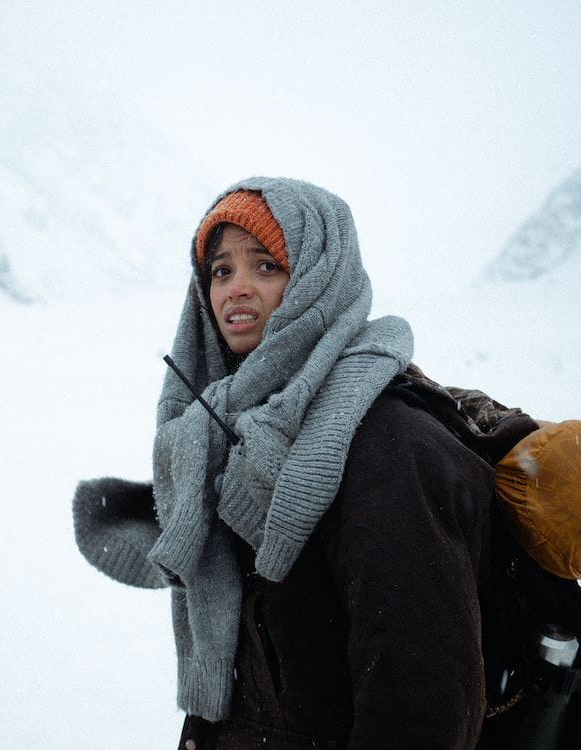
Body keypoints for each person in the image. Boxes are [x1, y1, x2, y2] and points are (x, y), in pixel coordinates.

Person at [73, 177, 495, 748]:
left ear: (321, 279)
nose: (236, 289)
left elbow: (419, 695)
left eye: (267, 266)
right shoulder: (221, 436)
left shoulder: (389, 443)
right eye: (221, 271)